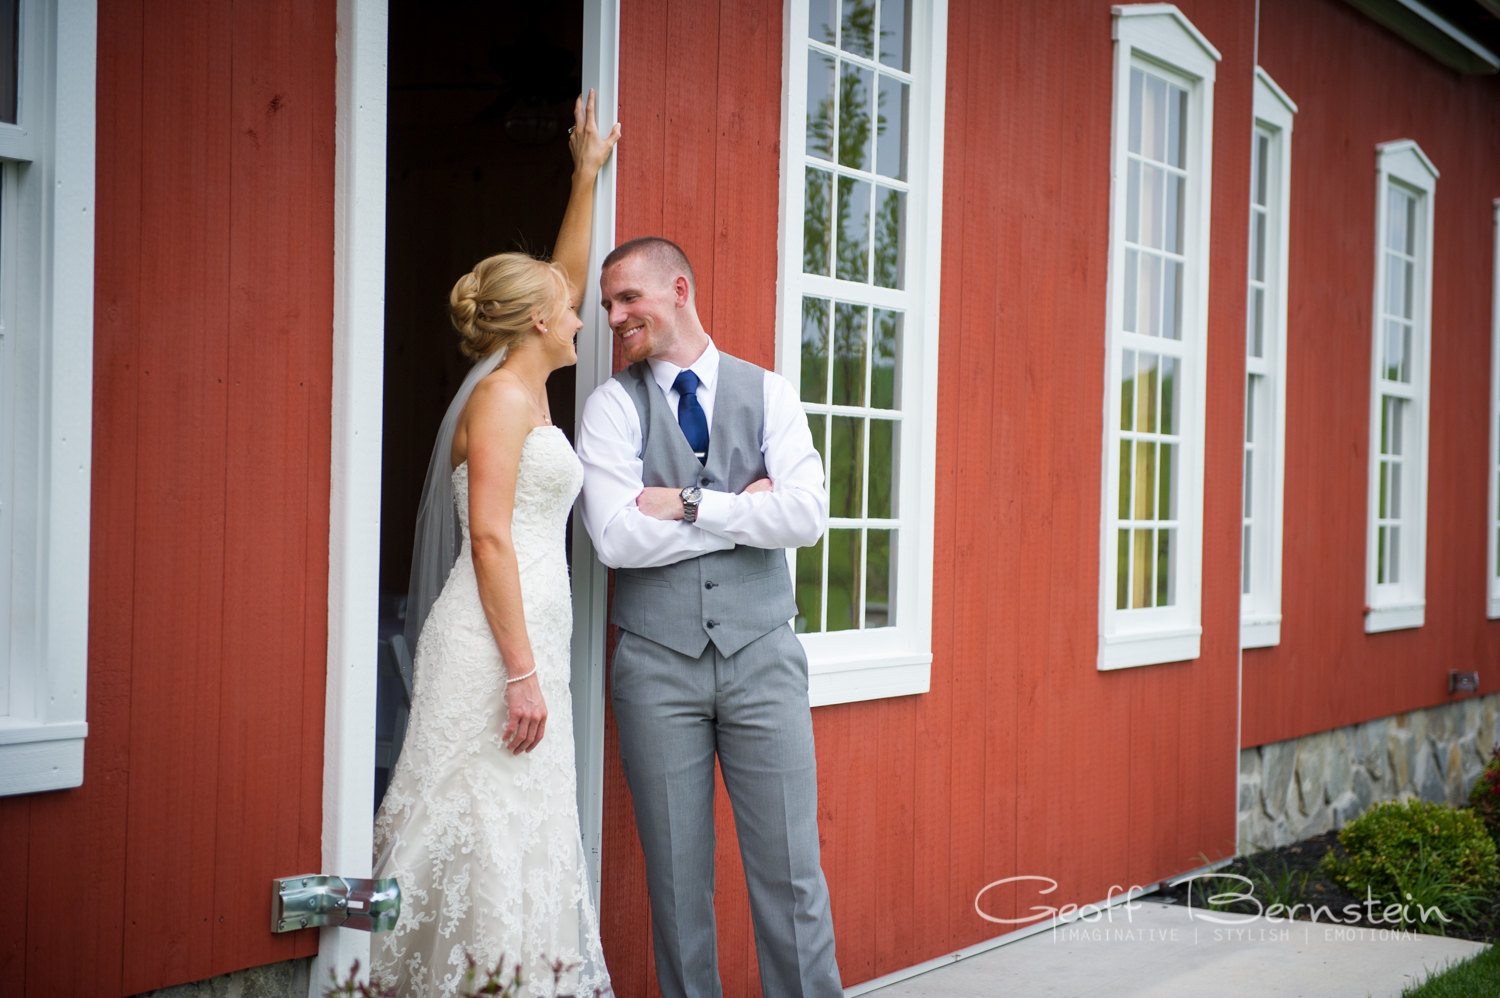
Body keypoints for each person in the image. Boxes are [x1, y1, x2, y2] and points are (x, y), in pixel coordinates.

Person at [372, 91, 619, 998]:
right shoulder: (503, 402)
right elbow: (488, 538)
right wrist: (519, 670)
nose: (581, 316)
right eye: (568, 310)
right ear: (536, 325)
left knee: (520, 825)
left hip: (531, 641)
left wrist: (584, 174)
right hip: (492, 646)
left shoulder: (524, 378)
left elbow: (561, 268)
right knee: (465, 818)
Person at [576, 238, 844, 998]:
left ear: (680, 290)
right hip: (657, 667)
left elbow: (806, 516)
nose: (616, 317)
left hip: (764, 656)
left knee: (792, 875)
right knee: (677, 887)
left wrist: (691, 503)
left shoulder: (771, 393)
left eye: (629, 299)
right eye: (607, 305)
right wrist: (743, 508)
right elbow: (617, 537)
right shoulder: (610, 407)